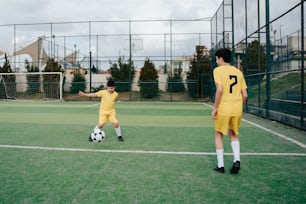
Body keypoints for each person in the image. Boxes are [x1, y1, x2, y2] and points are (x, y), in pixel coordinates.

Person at [212, 48, 248, 174]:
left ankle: (220, 166)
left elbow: (220, 90)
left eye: (216, 59)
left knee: (218, 134)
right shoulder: (238, 72)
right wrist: (238, 105)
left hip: (224, 107)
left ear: (220, 58)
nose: (216, 61)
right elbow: (245, 95)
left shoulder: (218, 70)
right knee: (234, 134)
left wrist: (215, 108)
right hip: (237, 109)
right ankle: (237, 160)